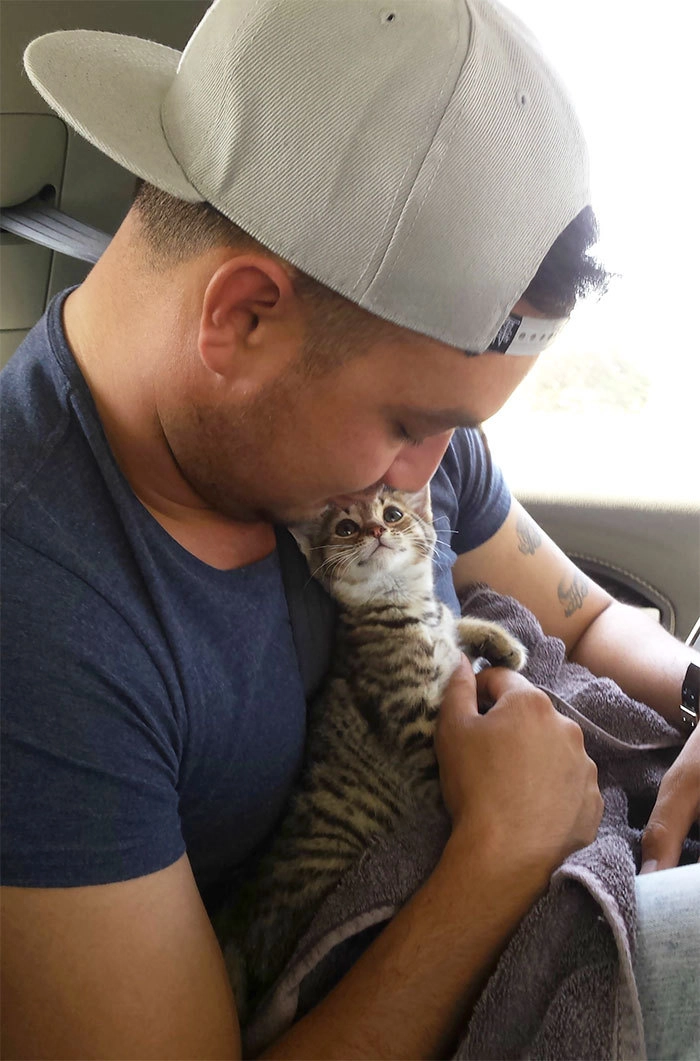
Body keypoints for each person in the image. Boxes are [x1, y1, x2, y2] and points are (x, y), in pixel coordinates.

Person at [1, 0, 698, 1058]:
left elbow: (589, 620)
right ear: (243, 316)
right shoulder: (41, 625)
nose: (428, 474)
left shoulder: (391, 428)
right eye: (412, 424)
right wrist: (501, 854)